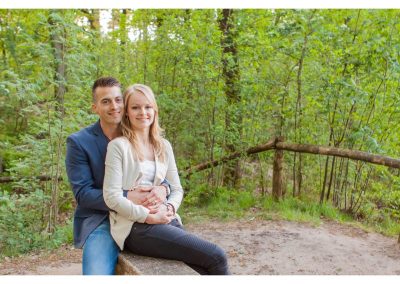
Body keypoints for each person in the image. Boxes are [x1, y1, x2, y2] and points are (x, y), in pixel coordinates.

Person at [103, 84, 230, 275]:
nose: (143, 112)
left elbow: (177, 189)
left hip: (165, 219)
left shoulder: (163, 146)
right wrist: (147, 216)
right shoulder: (118, 146)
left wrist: (169, 208)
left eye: (147, 107)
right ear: (127, 113)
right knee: (217, 255)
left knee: (203, 269)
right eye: (135, 107)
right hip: (136, 227)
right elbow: (111, 196)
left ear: (155, 110)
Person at [65, 77, 170, 275]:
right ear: (95, 107)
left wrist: (163, 188)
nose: (114, 106)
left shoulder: (138, 130)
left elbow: (159, 174)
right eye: (106, 101)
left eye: (118, 100)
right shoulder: (79, 142)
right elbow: (83, 194)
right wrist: (127, 196)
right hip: (101, 219)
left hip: (141, 213)